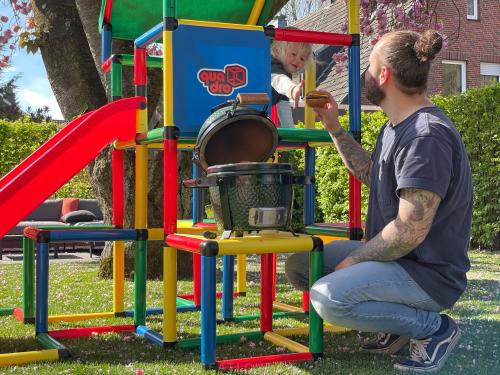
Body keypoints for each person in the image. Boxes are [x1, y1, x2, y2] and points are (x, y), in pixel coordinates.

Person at [285, 30, 472, 372]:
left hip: (427, 274)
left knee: (329, 297)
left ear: (384, 74)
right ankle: (394, 328)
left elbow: (408, 232)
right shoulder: (395, 127)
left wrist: (355, 260)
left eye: (369, 66)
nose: (364, 75)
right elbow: (375, 175)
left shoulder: (425, 136)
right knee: (301, 265)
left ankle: (435, 330)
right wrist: (334, 128)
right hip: (400, 262)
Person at [270, 36, 312, 128]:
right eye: (293, 54)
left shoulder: (286, 73)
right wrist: (292, 89)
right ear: (277, 50)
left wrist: (290, 129)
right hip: (243, 108)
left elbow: (283, 105)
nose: (297, 60)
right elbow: (277, 80)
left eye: (302, 58)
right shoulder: (271, 63)